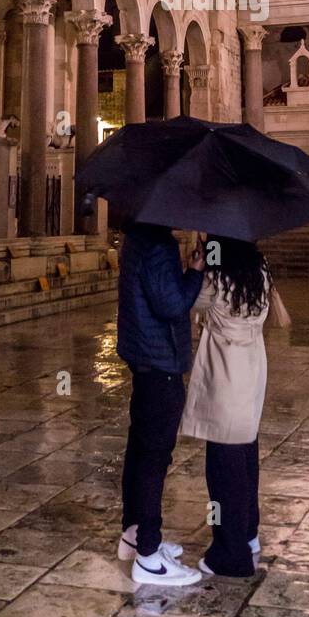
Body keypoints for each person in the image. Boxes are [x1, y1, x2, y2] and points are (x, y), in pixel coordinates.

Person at [116, 221, 205, 586]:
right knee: (155, 458)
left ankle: (133, 535)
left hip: (143, 358)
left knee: (139, 450)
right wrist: (194, 272)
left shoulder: (136, 238)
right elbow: (172, 305)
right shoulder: (158, 245)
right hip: (161, 363)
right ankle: (149, 557)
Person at [180, 237, 271, 578]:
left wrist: (197, 266)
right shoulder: (260, 271)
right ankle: (248, 533)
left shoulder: (216, 280)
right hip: (251, 371)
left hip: (224, 377)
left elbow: (192, 304)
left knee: (224, 469)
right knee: (246, 457)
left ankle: (230, 554)